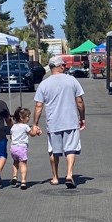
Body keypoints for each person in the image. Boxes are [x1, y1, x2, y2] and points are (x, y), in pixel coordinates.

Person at [32, 54, 86, 187]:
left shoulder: (44, 84)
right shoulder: (72, 80)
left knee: (54, 151)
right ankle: (69, 174)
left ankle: (55, 177)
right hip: (70, 120)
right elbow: (79, 101)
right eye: (64, 65)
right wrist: (82, 118)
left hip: (53, 122)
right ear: (61, 66)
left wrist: (35, 124)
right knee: (71, 149)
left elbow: (39, 106)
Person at [9, 107, 33, 189]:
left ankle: (15, 176)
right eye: (28, 117)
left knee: (15, 162)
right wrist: (36, 131)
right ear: (22, 118)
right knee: (23, 164)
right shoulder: (25, 126)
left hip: (13, 148)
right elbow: (32, 134)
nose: (29, 118)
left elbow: (11, 138)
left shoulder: (13, 127)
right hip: (21, 148)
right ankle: (23, 181)